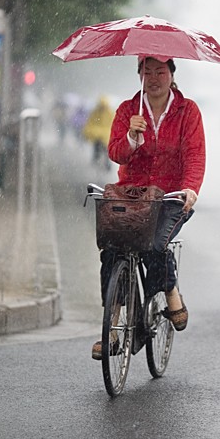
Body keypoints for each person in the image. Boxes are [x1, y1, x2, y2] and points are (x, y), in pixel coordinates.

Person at [92, 56, 206, 360]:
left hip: (170, 197)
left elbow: (195, 156)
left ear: (171, 74)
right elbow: (116, 153)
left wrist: (190, 189)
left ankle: (170, 293)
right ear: (139, 75)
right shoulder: (129, 110)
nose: (153, 78)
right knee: (113, 248)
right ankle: (112, 328)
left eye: (160, 71)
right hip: (131, 196)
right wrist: (131, 138)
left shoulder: (187, 111)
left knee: (155, 246)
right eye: (147, 72)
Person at [83, 95, 115, 166]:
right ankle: (97, 162)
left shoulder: (110, 113)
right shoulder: (95, 112)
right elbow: (90, 123)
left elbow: (113, 123)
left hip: (105, 135)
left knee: (105, 151)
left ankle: (105, 164)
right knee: (97, 149)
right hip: (99, 135)